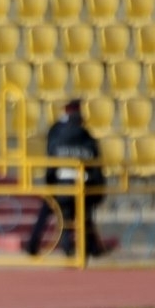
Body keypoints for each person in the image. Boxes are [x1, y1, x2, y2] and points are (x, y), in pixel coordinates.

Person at [26, 99, 106, 257]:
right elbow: (97, 166)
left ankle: (34, 246)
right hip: (83, 186)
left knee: (54, 212)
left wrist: (50, 185)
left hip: (61, 187)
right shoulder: (88, 137)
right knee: (84, 215)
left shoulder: (57, 133)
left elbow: (51, 162)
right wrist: (99, 191)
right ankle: (89, 248)